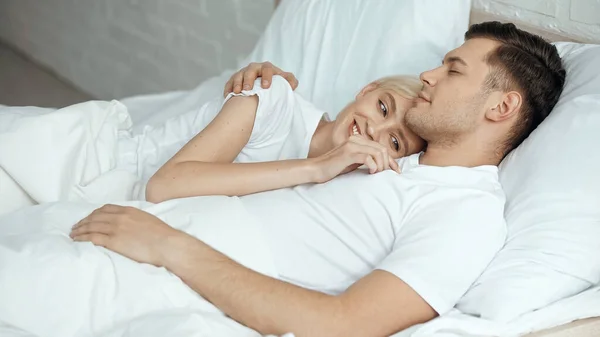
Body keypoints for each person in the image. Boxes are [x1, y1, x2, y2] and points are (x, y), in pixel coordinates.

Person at [70, 21, 566, 337]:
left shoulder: (466, 215)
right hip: (141, 230)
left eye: (453, 70)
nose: (429, 77)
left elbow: (343, 325)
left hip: (165, 268)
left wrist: (170, 246)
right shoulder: (394, 157)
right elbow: (299, 146)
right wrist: (266, 98)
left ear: (501, 106)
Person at [142, 74, 425, 203]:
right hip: (128, 165)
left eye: (395, 142)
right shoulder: (274, 100)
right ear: (367, 90)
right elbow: (162, 187)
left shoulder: (344, 191)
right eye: (383, 107)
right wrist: (315, 169)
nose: (376, 130)